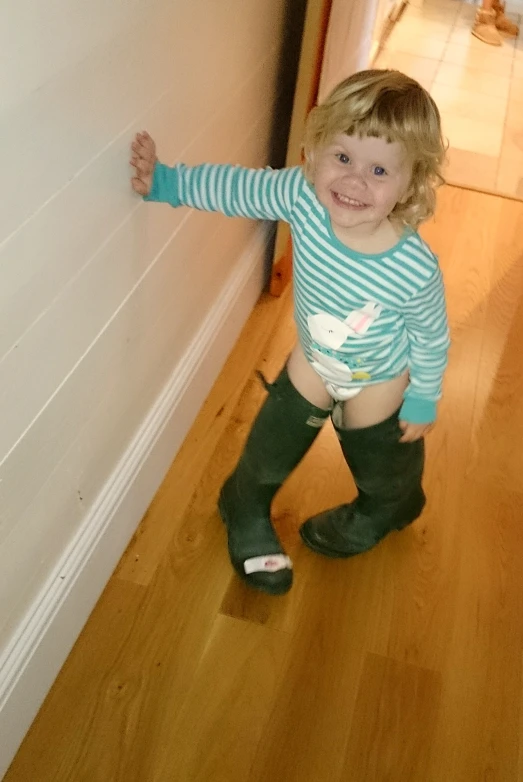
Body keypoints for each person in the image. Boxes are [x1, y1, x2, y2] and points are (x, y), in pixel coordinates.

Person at [130, 69, 450, 597]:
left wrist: (423, 397)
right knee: (273, 440)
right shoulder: (301, 197)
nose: (353, 182)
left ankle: (388, 505)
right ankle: (245, 502)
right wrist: (164, 181)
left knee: (383, 457)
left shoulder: (413, 268)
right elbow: (237, 188)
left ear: (409, 183)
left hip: (380, 378)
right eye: (342, 158)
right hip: (314, 359)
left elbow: (431, 336)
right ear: (316, 150)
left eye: (378, 170)